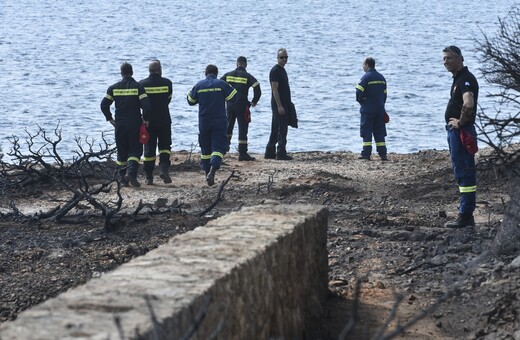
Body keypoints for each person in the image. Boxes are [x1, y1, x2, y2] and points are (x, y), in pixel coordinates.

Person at [442, 45, 479, 228]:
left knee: (464, 172)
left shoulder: (465, 79)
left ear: (460, 59)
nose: (445, 62)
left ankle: (465, 216)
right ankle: (465, 213)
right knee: (461, 171)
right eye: (444, 59)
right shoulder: (459, 78)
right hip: (456, 132)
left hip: (461, 132)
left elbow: (469, 103)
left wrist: (461, 122)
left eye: (449, 58)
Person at [101, 62, 151, 187]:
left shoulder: (114, 88)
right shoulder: (138, 87)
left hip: (120, 124)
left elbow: (104, 105)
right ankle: (131, 173)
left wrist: (110, 119)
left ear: (121, 73)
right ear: (132, 72)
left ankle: (122, 179)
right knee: (135, 150)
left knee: (122, 151)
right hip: (134, 123)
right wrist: (145, 119)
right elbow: (146, 105)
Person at [187, 64, 238, 186]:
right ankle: (213, 170)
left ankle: (206, 173)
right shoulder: (221, 84)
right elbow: (234, 97)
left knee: (205, 150)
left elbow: (190, 100)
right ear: (216, 73)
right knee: (219, 147)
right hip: (219, 121)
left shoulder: (199, 85)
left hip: (204, 121)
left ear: (205, 73)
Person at [139, 60, 173, 185]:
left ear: (149, 70)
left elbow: (140, 103)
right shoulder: (167, 83)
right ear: (160, 69)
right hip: (164, 119)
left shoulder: (141, 84)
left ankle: (149, 176)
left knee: (149, 150)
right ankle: (164, 169)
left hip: (148, 122)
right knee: (165, 147)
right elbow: (168, 99)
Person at [221, 56, 262, 161]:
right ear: (246, 65)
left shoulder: (228, 75)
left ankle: (223, 149)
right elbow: (257, 87)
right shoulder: (247, 76)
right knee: (242, 128)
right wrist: (254, 101)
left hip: (230, 105)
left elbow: (219, 84)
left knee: (228, 126)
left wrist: (223, 98)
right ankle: (242, 153)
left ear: (236, 64)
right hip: (242, 105)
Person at [355, 57, 388, 161]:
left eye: (363, 64)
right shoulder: (382, 78)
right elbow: (385, 95)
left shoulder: (365, 78)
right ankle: (383, 155)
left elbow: (358, 93)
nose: (362, 67)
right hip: (380, 109)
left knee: (366, 131)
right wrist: (381, 105)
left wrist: (362, 102)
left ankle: (366, 154)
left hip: (368, 109)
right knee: (379, 132)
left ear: (367, 65)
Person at [265, 48, 294, 160]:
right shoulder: (275, 71)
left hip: (285, 103)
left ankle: (269, 152)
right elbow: (274, 89)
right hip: (279, 104)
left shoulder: (282, 70)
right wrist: (279, 106)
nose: (284, 59)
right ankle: (281, 152)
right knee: (282, 128)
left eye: (286, 57)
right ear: (277, 58)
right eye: (282, 57)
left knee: (276, 127)